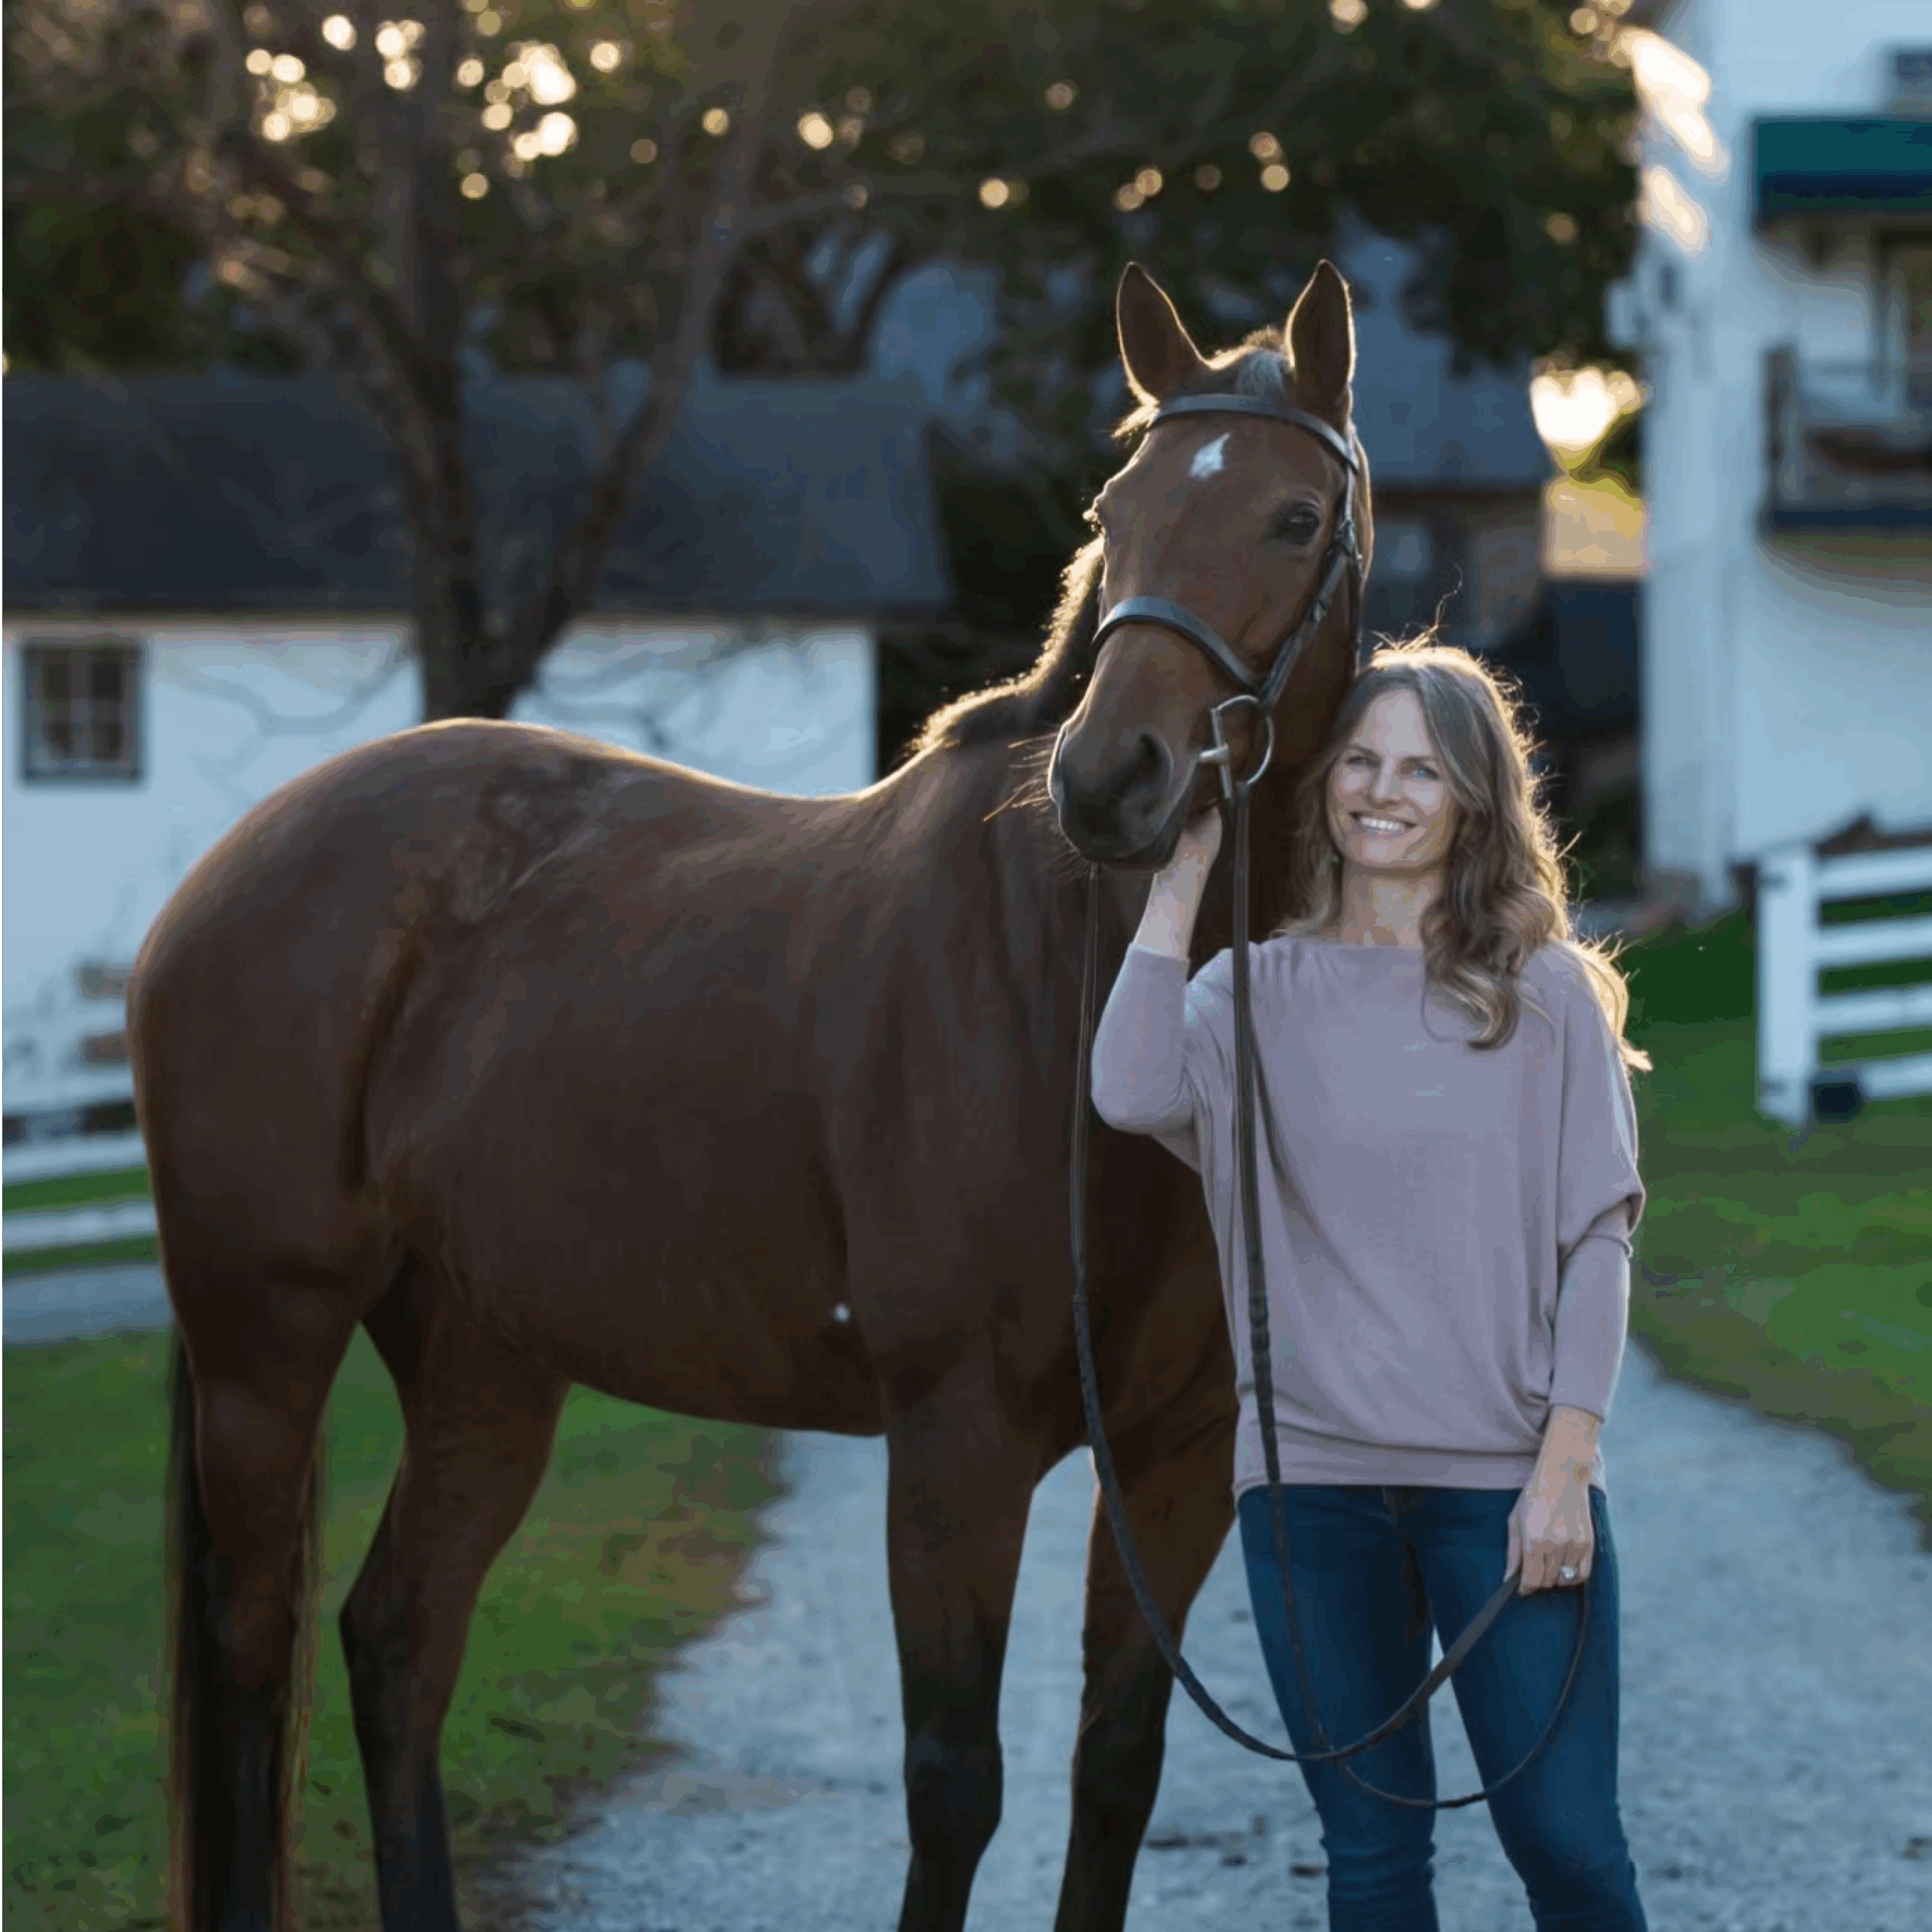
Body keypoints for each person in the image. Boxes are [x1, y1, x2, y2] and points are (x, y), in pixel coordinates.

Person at [1090, 639, 1653, 1932]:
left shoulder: (1545, 996)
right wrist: (1181, 877)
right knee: (1374, 1855)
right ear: (1322, 783)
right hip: (1311, 1499)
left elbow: (1598, 1242)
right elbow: (1129, 1090)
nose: (1382, 791)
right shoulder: (1252, 994)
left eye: (1422, 769)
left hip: (1505, 1496)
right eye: (1359, 760)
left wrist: (1564, 1471)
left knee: (1567, 1845)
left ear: (1473, 800)